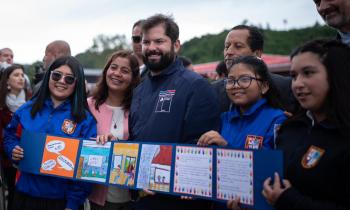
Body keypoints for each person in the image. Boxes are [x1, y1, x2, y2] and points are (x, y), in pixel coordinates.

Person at [129, 14, 220, 210]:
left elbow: (202, 149)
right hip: (143, 199)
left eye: (159, 41)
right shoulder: (138, 91)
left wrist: (158, 178)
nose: (151, 47)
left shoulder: (196, 86)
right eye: (146, 42)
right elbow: (137, 141)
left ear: (176, 45)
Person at [262, 39, 350, 210]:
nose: (297, 84)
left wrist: (289, 201)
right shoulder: (289, 128)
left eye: (308, 73)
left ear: (336, 75)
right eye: (293, 76)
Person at [4, 56, 97, 210]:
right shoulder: (27, 109)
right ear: (49, 76)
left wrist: (73, 203)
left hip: (63, 201)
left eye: (69, 79)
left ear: (77, 83)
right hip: (24, 196)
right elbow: (9, 135)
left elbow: (87, 167)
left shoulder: (85, 120)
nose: (61, 81)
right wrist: (12, 148)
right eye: (56, 75)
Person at [198, 56, 287, 210]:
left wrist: (226, 146)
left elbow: (273, 172)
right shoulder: (222, 119)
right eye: (231, 80)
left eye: (244, 79)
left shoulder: (278, 119)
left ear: (264, 86)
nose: (236, 86)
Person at [88, 50, 140, 210]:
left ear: (133, 78)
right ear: (106, 71)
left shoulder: (140, 108)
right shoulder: (89, 105)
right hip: (98, 197)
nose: (117, 73)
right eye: (114, 67)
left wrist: (119, 145)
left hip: (132, 197)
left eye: (125, 71)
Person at [213, 25, 296, 114]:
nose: (229, 52)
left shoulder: (286, 86)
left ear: (257, 53)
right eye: (227, 46)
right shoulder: (213, 91)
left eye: (238, 46)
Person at [0, 64, 28, 210]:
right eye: (16, 75)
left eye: (22, 75)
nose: (21, 78)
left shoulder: (31, 101)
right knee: (13, 193)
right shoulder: (2, 105)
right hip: (8, 159)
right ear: (7, 81)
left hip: (29, 155)